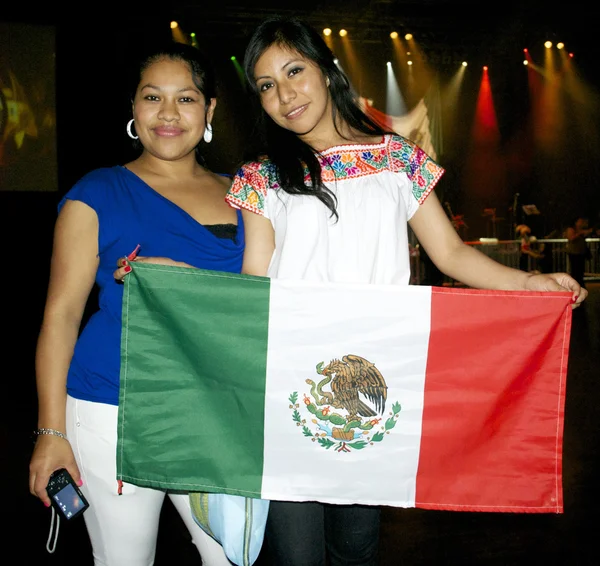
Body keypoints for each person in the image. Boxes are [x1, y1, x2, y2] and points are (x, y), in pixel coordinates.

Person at [219, 16, 588, 566]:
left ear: (326, 70)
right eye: (267, 85)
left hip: (373, 385)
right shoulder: (262, 176)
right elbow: (255, 282)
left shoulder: (396, 158)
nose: (284, 93)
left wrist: (533, 283)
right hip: (289, 386)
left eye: (294, 71)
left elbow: (451, 254)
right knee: (295, 556)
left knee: (355, 548)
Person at [29, 40, 244, 566]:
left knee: (237, 557)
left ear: (209, 110)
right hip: (113, 409)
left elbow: (265, 302)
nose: (168, 114)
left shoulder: (248, 192)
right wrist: (51, 432)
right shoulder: (98, 192)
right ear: (133, 108)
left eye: (186, 99)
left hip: (219, 412)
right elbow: (61, 315)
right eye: (152, 97)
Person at [564, 216, 593, 289]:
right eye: (580, 221)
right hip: (574, 253)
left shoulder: (580, 229)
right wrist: (580, 233)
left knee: (580, 272)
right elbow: (571, 238)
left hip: (581, 253)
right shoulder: (571, 229)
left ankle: (580, 285)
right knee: (576, 272)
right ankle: (576, 286)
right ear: (576, 222)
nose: (581, 222)